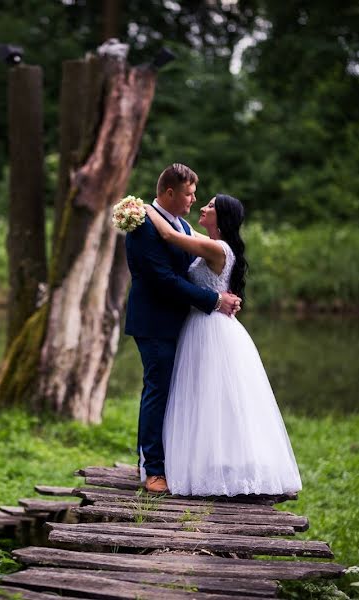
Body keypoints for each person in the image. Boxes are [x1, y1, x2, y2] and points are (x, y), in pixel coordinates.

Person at [145, 194, 302, 497]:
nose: (203, 207)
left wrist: (143, 207)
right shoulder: (211, 242)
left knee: (214, 395)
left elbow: (168, 233)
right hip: (201, 324)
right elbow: (183, 227)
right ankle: (203, 464)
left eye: (210, 206)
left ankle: (221, 468)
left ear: (222, 217)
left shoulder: (217, 248)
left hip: (210, 329)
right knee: (201, 396)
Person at [124, 164, 241, 494]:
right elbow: (163, 279)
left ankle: (168, 460)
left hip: (183, 323)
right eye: (189, 194)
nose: (194, 199)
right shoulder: (143, 225)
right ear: (170, 193)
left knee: (175, 393)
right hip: (155, 321)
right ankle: (153, 470)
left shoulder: (183, 225)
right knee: (158, 390)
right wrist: (214, 300)